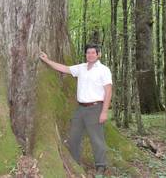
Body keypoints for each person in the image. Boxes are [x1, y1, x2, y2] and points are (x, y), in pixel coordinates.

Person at [39, 44, 112, 175]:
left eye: (93, 53)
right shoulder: (81, 68)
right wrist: (47, 60)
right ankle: (75, 162)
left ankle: (101, 166)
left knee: (97, 138)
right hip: (80, 109)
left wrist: (104, 111)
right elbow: (64, 68)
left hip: (96, 108)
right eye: (88, 53)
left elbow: (108, 91)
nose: (90, 55)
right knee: (74, 137)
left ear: (98, 54)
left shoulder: (103, 70)